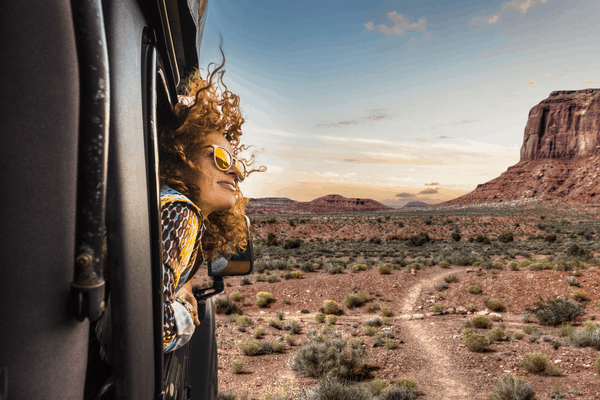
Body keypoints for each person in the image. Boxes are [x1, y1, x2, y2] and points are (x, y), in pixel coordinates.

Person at [95, 57, 257, 362]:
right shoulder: (180, 213)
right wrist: (182, 315)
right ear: (179, 158)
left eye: (238, 165)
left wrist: (180, 288)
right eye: (222, 158)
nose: (235, 171)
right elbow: (135, 328)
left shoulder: (160, 209)